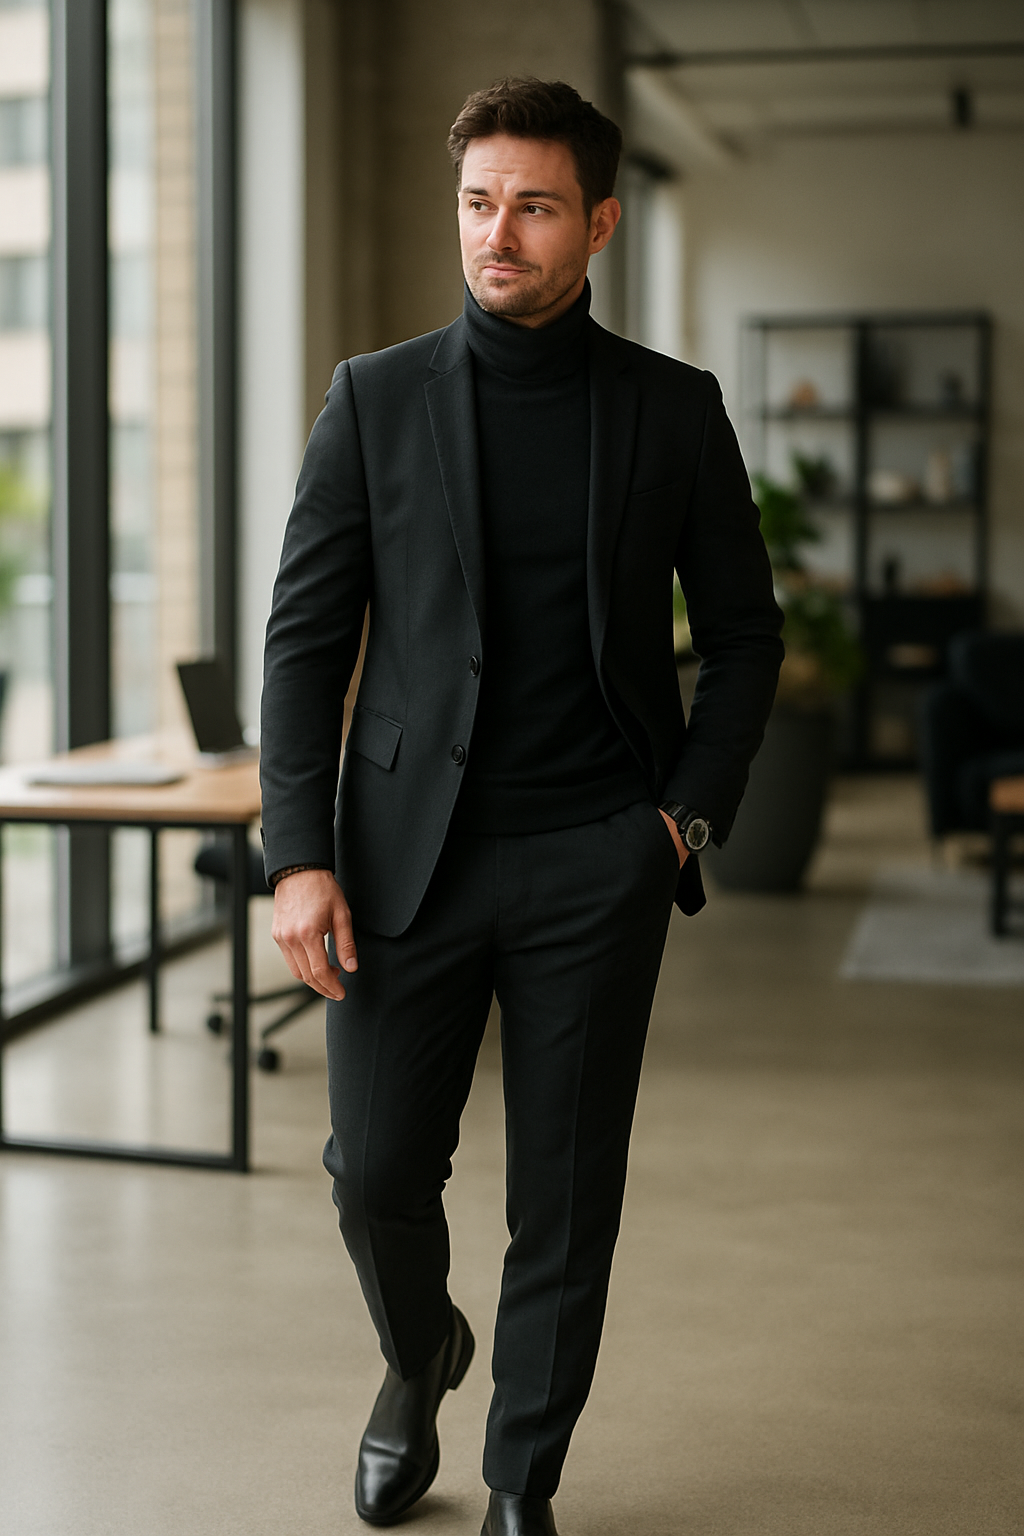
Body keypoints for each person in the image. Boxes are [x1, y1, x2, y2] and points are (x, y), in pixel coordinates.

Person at [260, 77, 783, 1536]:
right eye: (481, 202)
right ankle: (419, 1351)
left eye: (536, 205)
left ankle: (518, 1482)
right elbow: (305, 639)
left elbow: (747, 635)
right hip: (398, 860)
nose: (501, 232)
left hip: (595, 860)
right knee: (373, 1171)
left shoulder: (674, 413)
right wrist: (297, 856)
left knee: (562, 1200)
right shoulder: (374, 397)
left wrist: (678, 821)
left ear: (599, 222)